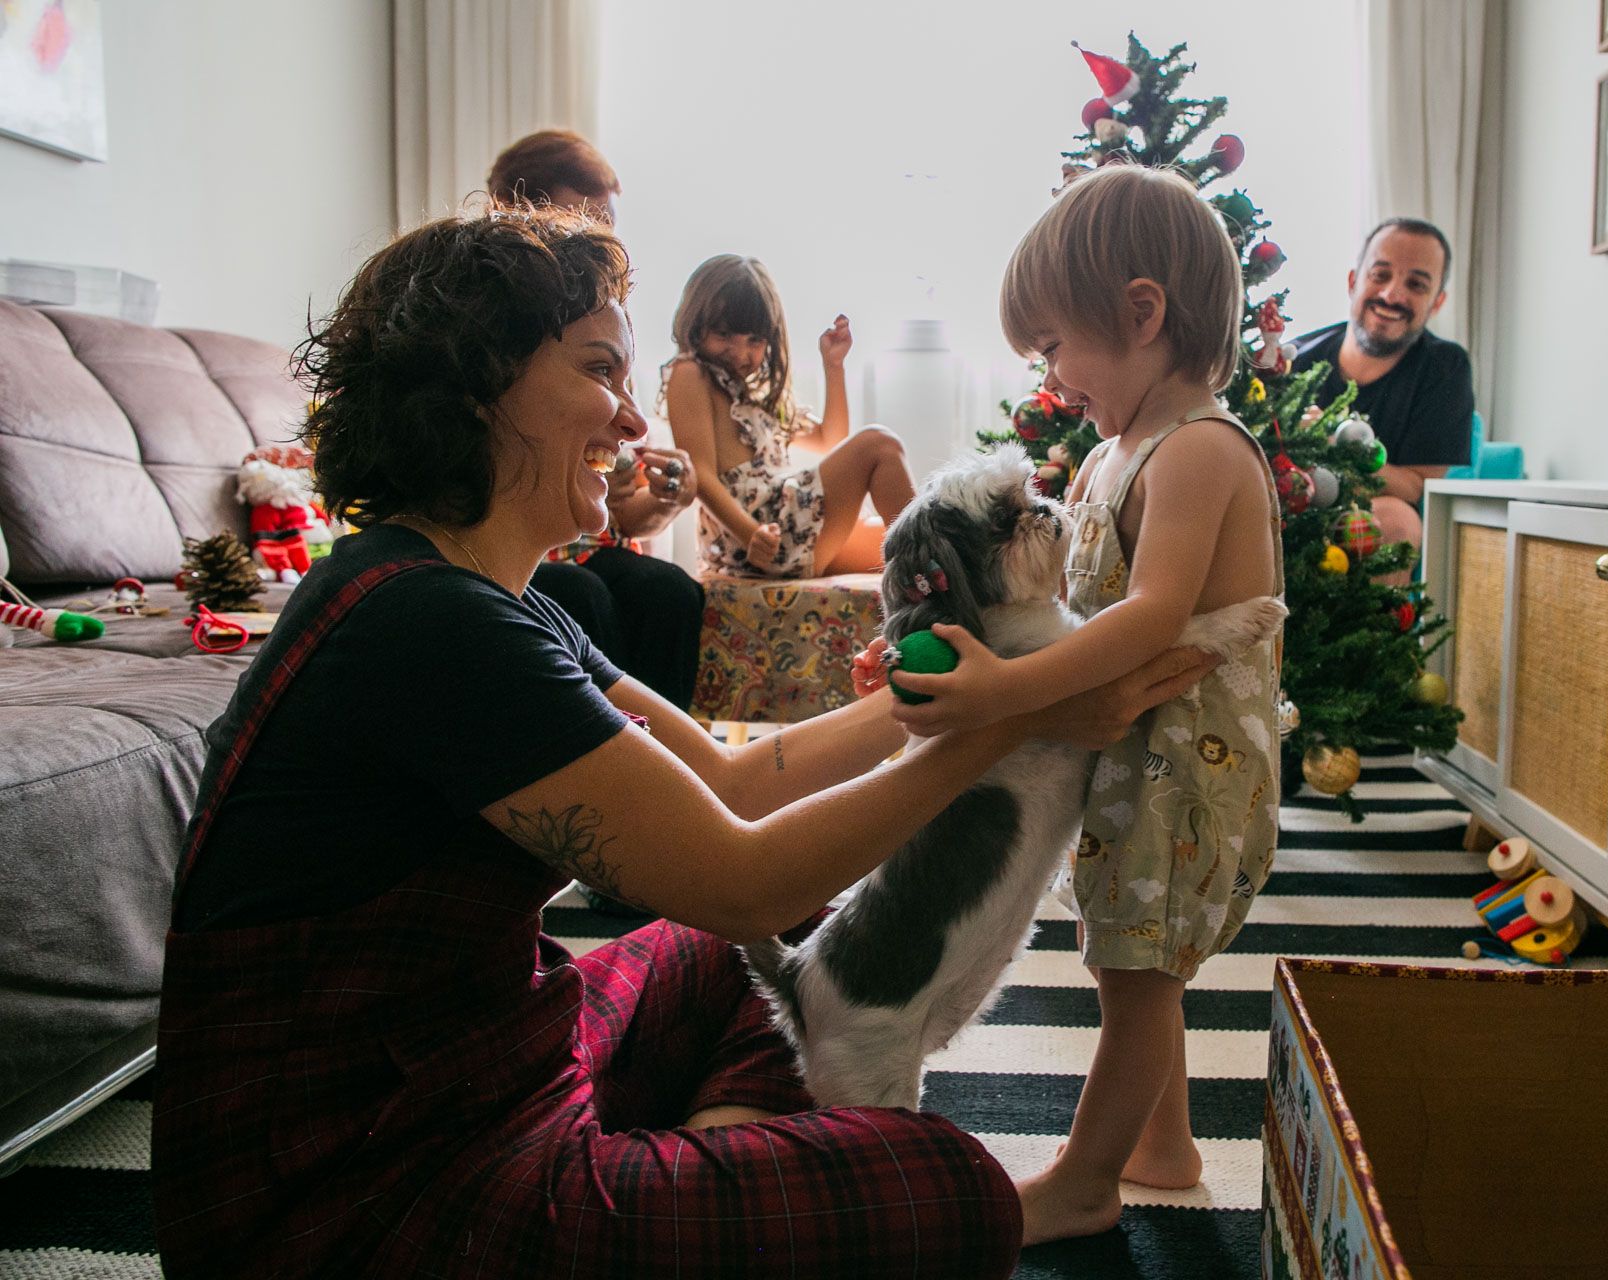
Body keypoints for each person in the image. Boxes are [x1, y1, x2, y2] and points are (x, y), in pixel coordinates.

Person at [150, 207, 1221, 1276]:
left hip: (486, 1059)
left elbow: (732, 781)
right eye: (598, 371)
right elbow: (743, 881)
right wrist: (1020, 713)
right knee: (946, 1184)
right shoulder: (427, 623)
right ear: (477, 385)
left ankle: (713, 1170)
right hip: (353, 1194)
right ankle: (715, 1183)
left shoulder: (499, 597)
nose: (631, 420)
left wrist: (940, 691)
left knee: (773, 953)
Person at [888, 164, 1286, 1245]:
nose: (1052, 377)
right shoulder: (1117, 453)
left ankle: (1086, 1178)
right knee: (1130, 958)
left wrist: (1005, 692)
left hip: (1192, 767)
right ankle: (1166, 1145)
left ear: (1142, 313)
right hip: (1142, 753)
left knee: (1139, 973)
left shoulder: (1200, 449)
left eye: (1055, 346)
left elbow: (1153, 614)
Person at [488, 128, 706, 711]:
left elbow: (617, 515)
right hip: (523, 552)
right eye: (582, 224)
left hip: (585, 547)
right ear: (512, 212)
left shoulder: (601, 325)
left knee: (668, 591)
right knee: (578, 595)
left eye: (607, 228)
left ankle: (664, 751)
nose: (599, 247)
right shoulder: (496, 334)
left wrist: (664, 500)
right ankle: (606, 750)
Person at [665, 254, 914, 577]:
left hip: (786, 528)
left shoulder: (755, 396)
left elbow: (829, 440)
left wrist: (834, 367)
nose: (740, 354)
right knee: (880, 444)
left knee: (898, 543)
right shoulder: (690, 373)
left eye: (754, 340)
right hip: (760, 533)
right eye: (724, 335)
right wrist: (750, 534)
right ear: (695, 325)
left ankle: (936, 580)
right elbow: (699, 473)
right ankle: (932, 565)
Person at [1289, 217, 1474, 569]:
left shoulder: (1445, 367)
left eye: (1416, 284)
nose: (1392, 295)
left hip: (1368, 517)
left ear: (1436, 303)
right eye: (1380, 275)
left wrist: (1331, 442)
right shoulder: (1292, 359)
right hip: (1287, 508)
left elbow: (1416, 487)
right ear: (1353, 282)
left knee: (1396, 521)